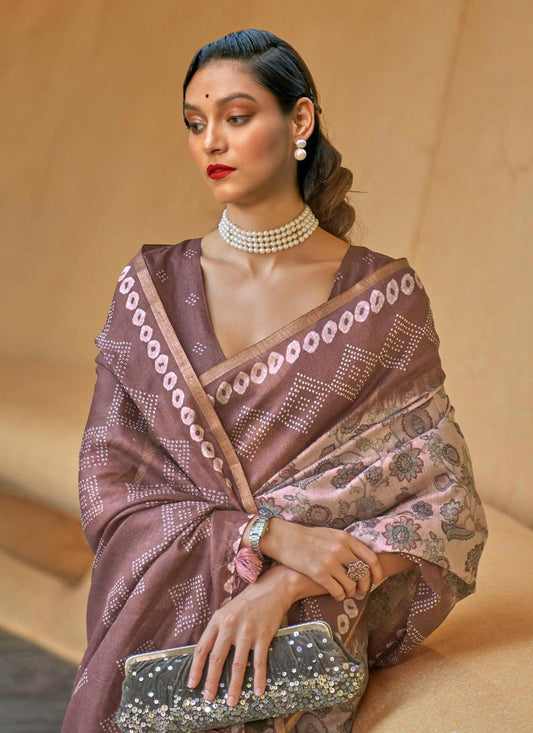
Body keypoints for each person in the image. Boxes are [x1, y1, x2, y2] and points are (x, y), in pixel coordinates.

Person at [62, 28, 488, 733]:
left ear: (299, 121)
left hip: (302, 640)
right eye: (194, 123)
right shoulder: (150, 293)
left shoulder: (383, 301)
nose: (211, 141)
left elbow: (444, 504)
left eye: (236, 116)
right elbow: (108, 484)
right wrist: (263, 535)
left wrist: (287, 582)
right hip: (157, 635)